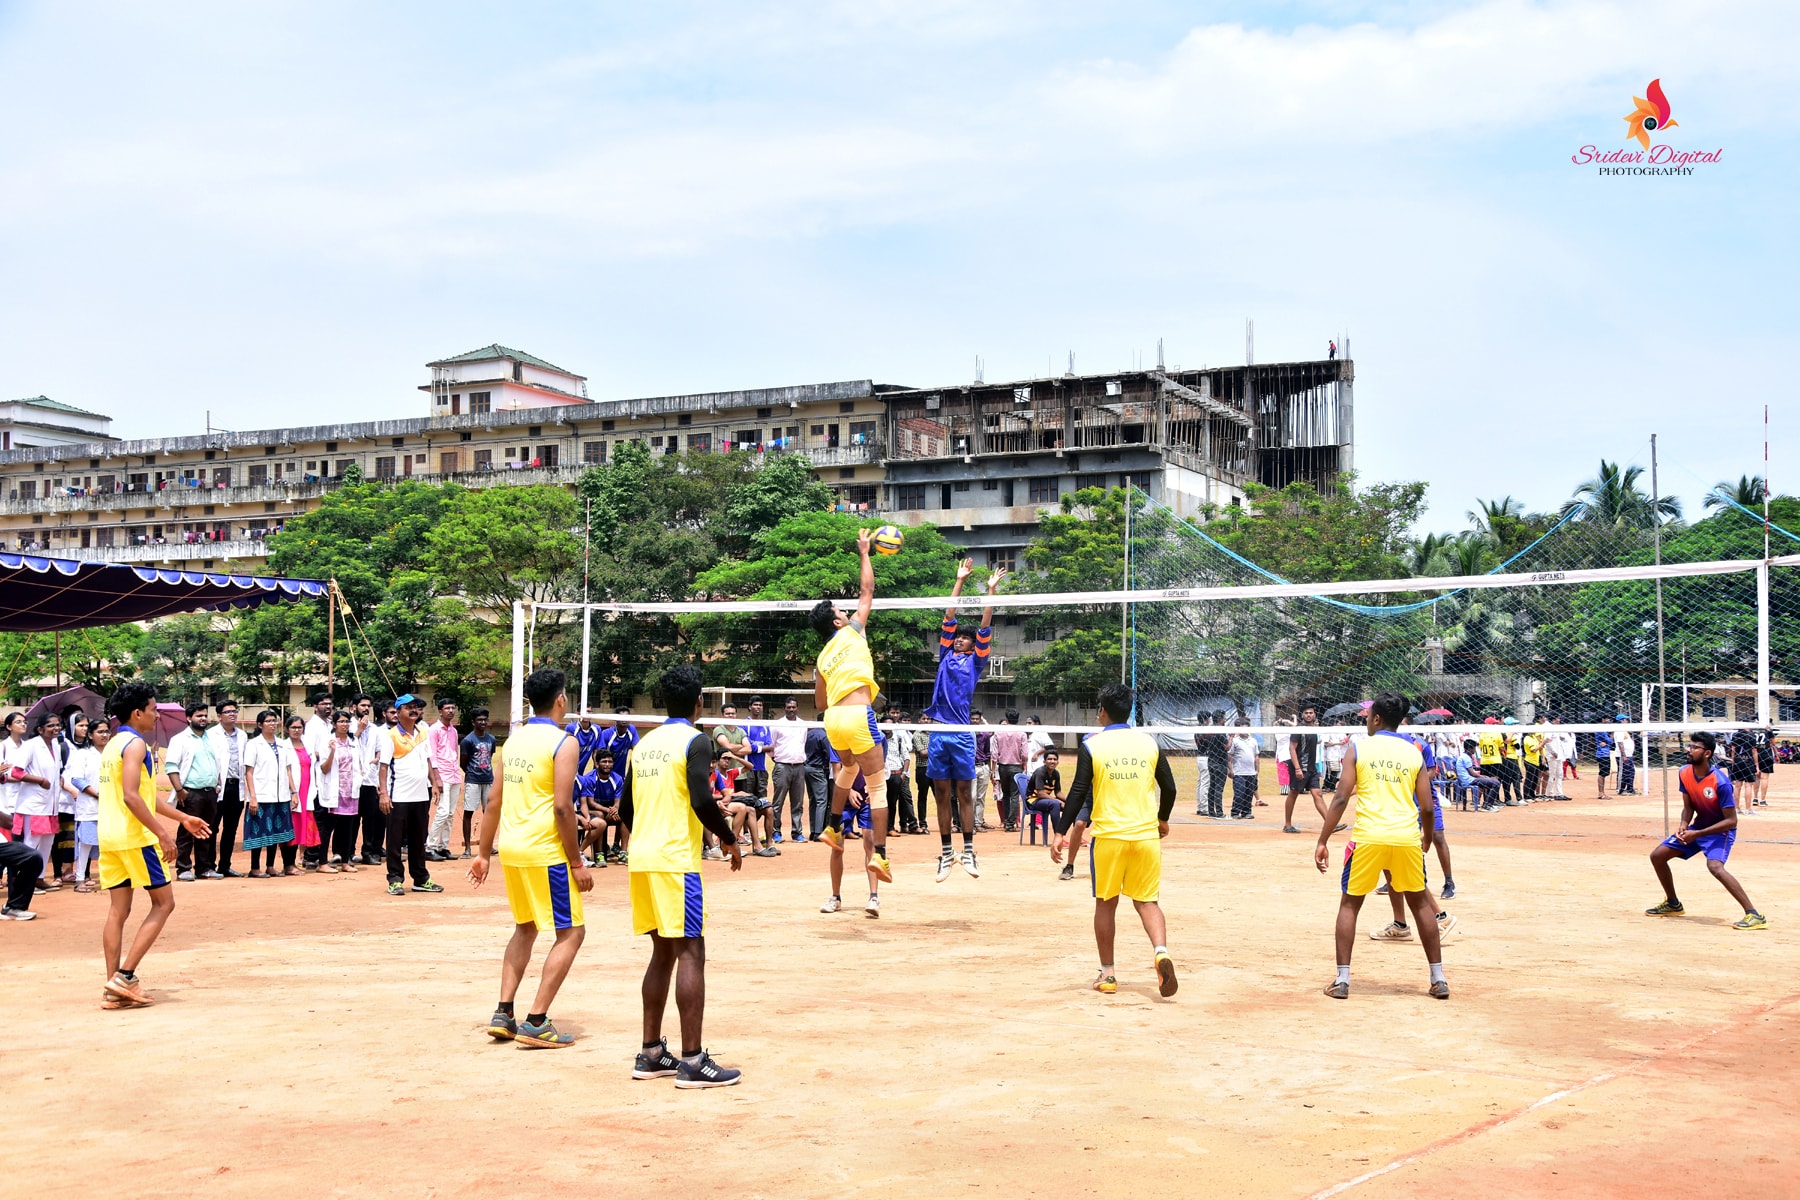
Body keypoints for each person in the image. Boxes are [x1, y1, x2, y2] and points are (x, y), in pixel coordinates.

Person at [620, 663, 744, 1088]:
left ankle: (651, 1053)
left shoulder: (645, 743)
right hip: (675, 860)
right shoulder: (696, 740)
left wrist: (648, 837)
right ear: (699, 703)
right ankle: (692, 1061)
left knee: (662, 952)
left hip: (643, 857)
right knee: (691, 952)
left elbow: (626, 807)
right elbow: (702, 798)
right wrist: (729, 837)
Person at [469, 667, 593, 1048]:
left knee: (525, 927)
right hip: (545, 850)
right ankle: (537, 1020)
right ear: (561, 700)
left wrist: (483, 854)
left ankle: (504, 1012)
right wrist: (577, 862)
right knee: (571, 932)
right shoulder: (564, 742)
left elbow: (494, 801)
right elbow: (562, 808)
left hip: (512, 847)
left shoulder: (513, 742)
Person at [1315, 693, 1448, 1001]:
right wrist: (1427, 837)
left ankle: (1342, 980)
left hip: (1368, 837)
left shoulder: (1359, 747)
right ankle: (1438, 978)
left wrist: (1323, 840)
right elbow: (1427, 807)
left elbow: (1340, 797)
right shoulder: (1414, 752)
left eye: (1367, 716)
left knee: (1350, 904)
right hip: (1406, 838)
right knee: (1421, 905)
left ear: (1376, 719)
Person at [1052, 683, 1179, 997]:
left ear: (1102, 712)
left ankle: (1108, 974)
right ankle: (1161, 952)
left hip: (1109, 837)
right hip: (1146, 836)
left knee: (1106, 904)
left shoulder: (1093, 745)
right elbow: (1170, 787)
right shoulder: (1149, 743)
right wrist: (1162, 818)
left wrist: (1060, 831)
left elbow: (1078, 791)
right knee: (1147, 902)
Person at [98, 681, 212, 1008]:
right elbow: (132, 797)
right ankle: (125, 977)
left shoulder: (113, 744)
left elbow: (144, 796)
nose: (156, 714)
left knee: (118, 910)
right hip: (136, 837)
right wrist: (162, 834)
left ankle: (114, 987)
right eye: (152, 709)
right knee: (164, 904)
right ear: (137, 713)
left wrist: (183, 818)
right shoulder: (135, 745)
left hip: (111, 837)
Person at [808, 527, 894, 885]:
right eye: (840, 611)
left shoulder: (822, 657)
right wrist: (864, 552)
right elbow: (867, 591)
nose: (846, 611)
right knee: (877, 785)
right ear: (837, 621)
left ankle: (831, 826)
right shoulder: (853, 631)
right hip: (859, 715)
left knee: (846, 769)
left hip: (833, 719)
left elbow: (819, 702)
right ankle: (880, 856)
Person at [922, 557, 1002, 882]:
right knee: (941, 794)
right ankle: (946, 853)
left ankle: (968, 850)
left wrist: (990, 591)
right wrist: (960, 581)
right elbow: (949, 616)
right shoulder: (945, 654)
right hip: (939, 732)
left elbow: (985, 625)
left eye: (965, 638)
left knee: (965, 793)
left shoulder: (976, 661)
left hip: (962, 733)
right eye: (957, 637)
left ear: (973, 645)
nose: (959, 639)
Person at [1646, 732, 1766, 929]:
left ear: (1707, 753)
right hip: (1697, 828)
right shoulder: (1684, 772)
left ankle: (1754, 915)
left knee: (1715, 867)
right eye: (1689, 746)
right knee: (1658, 856)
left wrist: (1697, 834)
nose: (1689, 750)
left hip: (1720, 832)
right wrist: (1684, 824)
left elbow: (1731, 821)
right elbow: (1688, 806)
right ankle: (1673, 903)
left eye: (1695, 747)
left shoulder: (1720, 782)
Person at [382, 694, 442, 895]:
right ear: (398, 712)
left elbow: (428, 760)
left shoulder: (423, 732)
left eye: (415, 706)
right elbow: (383, 767)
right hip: (398, 796)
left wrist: (434, 783)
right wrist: (384, 794)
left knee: (418, 839)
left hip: (421, 795)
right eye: (408, 707)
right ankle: (395, 879)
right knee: (395, 841)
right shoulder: (390, 736)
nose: (413, 710)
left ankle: (421, 878)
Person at [241, 709, 299, 878]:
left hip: (281, 795)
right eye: (268, 721)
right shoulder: (253, 744)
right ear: (260, 725)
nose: (273, 724)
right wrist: (253, 797)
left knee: (275, 831)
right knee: (258, 831)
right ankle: (254, 868)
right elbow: (249, 772)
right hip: (262, 795)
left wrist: (293, 792)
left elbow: (288, 770)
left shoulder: (283, 744)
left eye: (275, 720)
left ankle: (270, 866)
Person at [166, 702, 221, 881]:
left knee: (206, 830)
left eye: (205, 715)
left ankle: (203, 868)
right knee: (187, 831)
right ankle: (183, 868)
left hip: (210, 792)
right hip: (190, 793)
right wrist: (180, 790)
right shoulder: (180, 739)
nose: (203, 718)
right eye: (199, 715)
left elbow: (217, 763)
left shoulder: (211, 738)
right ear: (189, 718)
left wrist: (218, 784)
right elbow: (171, 766)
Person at [822, 768, 885, 917]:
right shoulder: (840, 750)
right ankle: (836, 897)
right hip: (843, 799)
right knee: (837, 846)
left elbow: (879, 768)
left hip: (868, 797)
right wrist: (848, 791)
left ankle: (874, 897)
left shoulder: (876, 748)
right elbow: (837, 773)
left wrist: (873, 788)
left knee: (870, 842)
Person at [14, 712, 66, 890]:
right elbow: (16, 772)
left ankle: (39, 878)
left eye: (57, 725)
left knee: (47, 842)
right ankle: (23, 881)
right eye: (51, 725)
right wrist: (39, 780)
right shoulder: (31, 746)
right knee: (31, 842)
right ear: (40, 729)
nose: (55, 728)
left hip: (51, 803)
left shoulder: (56, 746)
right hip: (34, 803)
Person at [205, 700, 249, 877]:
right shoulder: (210, 735)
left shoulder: (243, 735)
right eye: (228, 711)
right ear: (219, 716)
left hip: (236, 786)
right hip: (218, 787)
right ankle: (209, 865)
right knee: (212, 827)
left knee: (231, 829)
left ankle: (225, 865)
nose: (232, 714)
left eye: (234, 711)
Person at [427, 698, 466, 861]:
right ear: (440, 711)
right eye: (447, 708)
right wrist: (436, 779)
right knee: (442, 812)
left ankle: (442, 846)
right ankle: (430, 846)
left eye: (452, 708)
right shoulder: (434, 730)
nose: (450, 711)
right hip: (441, 774)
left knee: (450, 813)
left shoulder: (453, 731)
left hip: (454, 774)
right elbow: (432, 755)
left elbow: (454, 752)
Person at [768, 698, 810, 843]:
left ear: (797, 708)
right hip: (782, 766)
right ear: (784, 708)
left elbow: (803, 743)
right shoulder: (777, 724)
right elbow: (771, 746)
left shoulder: (803, 725)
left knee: (798, 802)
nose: (791, 709)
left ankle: (797, 832)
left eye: (793, 707)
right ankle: (776, 832)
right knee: (778, 802)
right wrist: (778, 760)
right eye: (788, 707)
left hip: (799, 766)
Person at [302, 694, 335, 868]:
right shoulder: (312, 726)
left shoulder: (330, 725)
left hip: (330, 776)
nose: (328, 707)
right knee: (317, 818)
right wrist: (326, 753)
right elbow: (309, 752)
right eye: (323, 704)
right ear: (315, 706)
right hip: (316, 776)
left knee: (328, 818)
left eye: (330, 704)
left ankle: (320, 854)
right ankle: (311, 855)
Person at [459, 707, 497, 857]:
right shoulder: (468, 740)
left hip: (488, 779)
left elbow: (490, 756)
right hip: (473, 780)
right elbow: (463, 762)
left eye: (485, 720)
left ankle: (488, 845)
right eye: (479, 720)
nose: (483, 722)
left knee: (489, 813)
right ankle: (467, 848)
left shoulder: (491, 739)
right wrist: (471, 773)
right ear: (473, 722)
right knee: (468, 812)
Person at [325, 711, 361, 871]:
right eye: (341, 721)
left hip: (351, 790)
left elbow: (359, 763)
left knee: (348, 828)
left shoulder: (353, 741)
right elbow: (324, 768)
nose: (345, 724)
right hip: (335, 790)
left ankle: (346, 861)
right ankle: (323, 861)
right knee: (329, 827)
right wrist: (332, 750)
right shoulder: (329, 741)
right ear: (334, 724)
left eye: (347, 721)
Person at [285, 714, 321, 868]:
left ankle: (302, 856)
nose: (296, 730)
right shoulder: (284, 746)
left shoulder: (307, 745)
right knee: (294, 824)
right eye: (293, 727)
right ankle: (290, 861)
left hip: (307, 789)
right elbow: (287, 771)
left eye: (299, 727)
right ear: (287, 729)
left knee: (305, 823)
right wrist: (293, 791)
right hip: (293, 790)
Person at [1282, 705, 1325, 832]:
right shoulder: (1298, 729)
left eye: (1311, 713)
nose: (1309, 715)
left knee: (1318, 794)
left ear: (1314, 714)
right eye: (1306, 713)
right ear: (1302, 715)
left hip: (1312, 768)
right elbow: (1292, 748)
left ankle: (1330, 823)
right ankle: (1287, 825)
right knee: (1293, 793)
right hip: (1300, 767)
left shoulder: (1314, 730)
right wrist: (1297, 768)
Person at [881, 704, 916, 837]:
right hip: (881, 776)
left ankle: (890, 827)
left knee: (892, 802)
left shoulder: (899, 739)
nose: (888, 727)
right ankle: (879, 828)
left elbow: (906, 757)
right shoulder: (877, 739)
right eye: (885, 725)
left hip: (896, 775)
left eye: (890, 725)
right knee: (880, 802)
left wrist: (903, 774)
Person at [993, 709, 1027, 832]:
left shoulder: (998, 733)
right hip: (1016, 766)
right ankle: (1011, 823)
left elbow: (994, 754)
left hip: (1003, 766)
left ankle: (1007, 820)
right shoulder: (1022, 733)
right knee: (1014, 795)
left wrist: (993, 770)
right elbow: (1025, 754)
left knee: (1006, 794)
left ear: (1006, 719)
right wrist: (1024, 764)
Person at [744, 697, 773, 821]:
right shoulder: (744, 724)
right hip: (748, 769)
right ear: (750, 707)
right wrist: (761, 747)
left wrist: (756, 747)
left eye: (760, 705)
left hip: (762, 769)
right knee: (748, 801)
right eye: (755, 704)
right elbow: (748, 747)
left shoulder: (765, 726)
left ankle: (755, 827)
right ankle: (746, 830)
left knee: (762, 802)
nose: (758, 707)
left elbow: (770, 746)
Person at [1228, 721, 1258, 820]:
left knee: (1249, 793)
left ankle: (1247, 812)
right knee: (1239, 793)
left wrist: (1257, 770)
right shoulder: (1235, 741)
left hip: (1251, 772)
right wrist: (1230, 769)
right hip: (1239, 772)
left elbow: (1256, 756)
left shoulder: (1253, 741)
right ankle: (1235, 812)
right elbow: (1230, 756)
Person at [1616, 718, 1637, 795]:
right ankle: (1620, 789)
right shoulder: (1619, 730)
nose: (1627, 721)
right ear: (1621, 721)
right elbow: (1620, 743)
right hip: (1623, 756)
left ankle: (1630, 789)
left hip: (1629, 755)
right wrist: (1624, 755)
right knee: (1624, 773)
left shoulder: (1625, 731)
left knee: (1631, 772)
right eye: (1626, 720)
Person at [1594, 722, 1615, 798]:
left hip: (1604, 754)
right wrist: (1612, 734)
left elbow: (1608, 742)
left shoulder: (1603, 730)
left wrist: (1607, 742)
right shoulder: (1601, 730)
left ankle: (1602, 793)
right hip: (1603, 754)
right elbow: (1610, 741)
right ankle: (1601, 793)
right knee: (1602, 773)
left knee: (1604, 773)